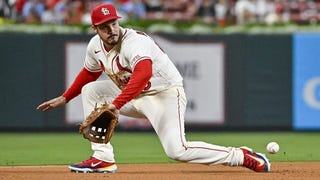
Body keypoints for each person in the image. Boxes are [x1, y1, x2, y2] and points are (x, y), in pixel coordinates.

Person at [36, 3, 271, 173]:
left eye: (114, 23)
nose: (112, 30)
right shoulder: (95, 46)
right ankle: (103, 158)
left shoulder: (134, 41)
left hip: (164, 94)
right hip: (133, 96)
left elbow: (143, 73)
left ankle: (240, 156)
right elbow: (90, 72)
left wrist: (116, 106)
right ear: (95, 29)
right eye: (104, 26)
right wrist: (66, 97)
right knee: (90, 90)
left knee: (177, 151)